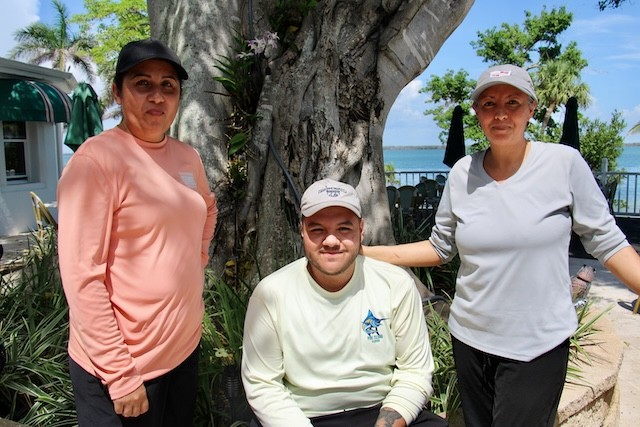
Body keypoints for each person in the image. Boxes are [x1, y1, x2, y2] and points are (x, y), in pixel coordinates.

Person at [363, 64, 640, 427]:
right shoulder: (462, 173)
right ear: (477, 112)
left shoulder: (564, 164)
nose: (501, 114)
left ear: (531, 109)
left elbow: (606, 240)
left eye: (513, 102)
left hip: (538, 345)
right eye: (489, 104)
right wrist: (366, 253)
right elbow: (440, 247)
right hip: (470, 339)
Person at [57, 38, 218, 426]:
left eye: (168, 86)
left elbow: (207, 208)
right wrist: (120, 374)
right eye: (142, 83)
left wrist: (195, 262)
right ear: (117, 92)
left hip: (182, 351)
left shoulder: (187, 157)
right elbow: (82, 279)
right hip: (122, 368)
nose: (157, 96)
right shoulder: (95, 162)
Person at [241, 178, 447, 427]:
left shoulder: (396, 284)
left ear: (361, 229)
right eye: (318, 230)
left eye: (343, 229)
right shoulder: (271, 294)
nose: (331, 241)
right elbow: (263, 385)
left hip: (382, 411)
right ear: (302, 230)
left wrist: (388, 422)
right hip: (301, 417)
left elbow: (415, 372)